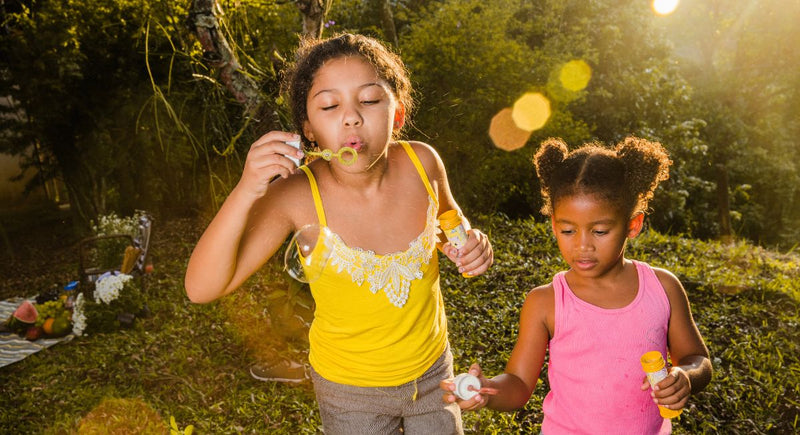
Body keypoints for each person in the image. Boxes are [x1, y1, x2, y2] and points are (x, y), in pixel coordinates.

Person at [185, 33, 493, 434]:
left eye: (369, 100)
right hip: (350, 395)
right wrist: (247, 188)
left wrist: (469, 243)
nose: (351, 117)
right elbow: (202, 288)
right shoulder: (295, 195)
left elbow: (450, 221)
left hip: (435, 374)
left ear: (397, 114)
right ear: (309, 130)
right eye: (330, 106)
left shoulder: (423, 163)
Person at [441, 137, 712, 434]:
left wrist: (685, 376)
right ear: (554, 224)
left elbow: (698, 359)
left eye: (600, 231)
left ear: (632, 225)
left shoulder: (662, 288)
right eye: (568, 230)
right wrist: (486, 390)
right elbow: (518, 384)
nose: (583, 245)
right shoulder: (546, 302)